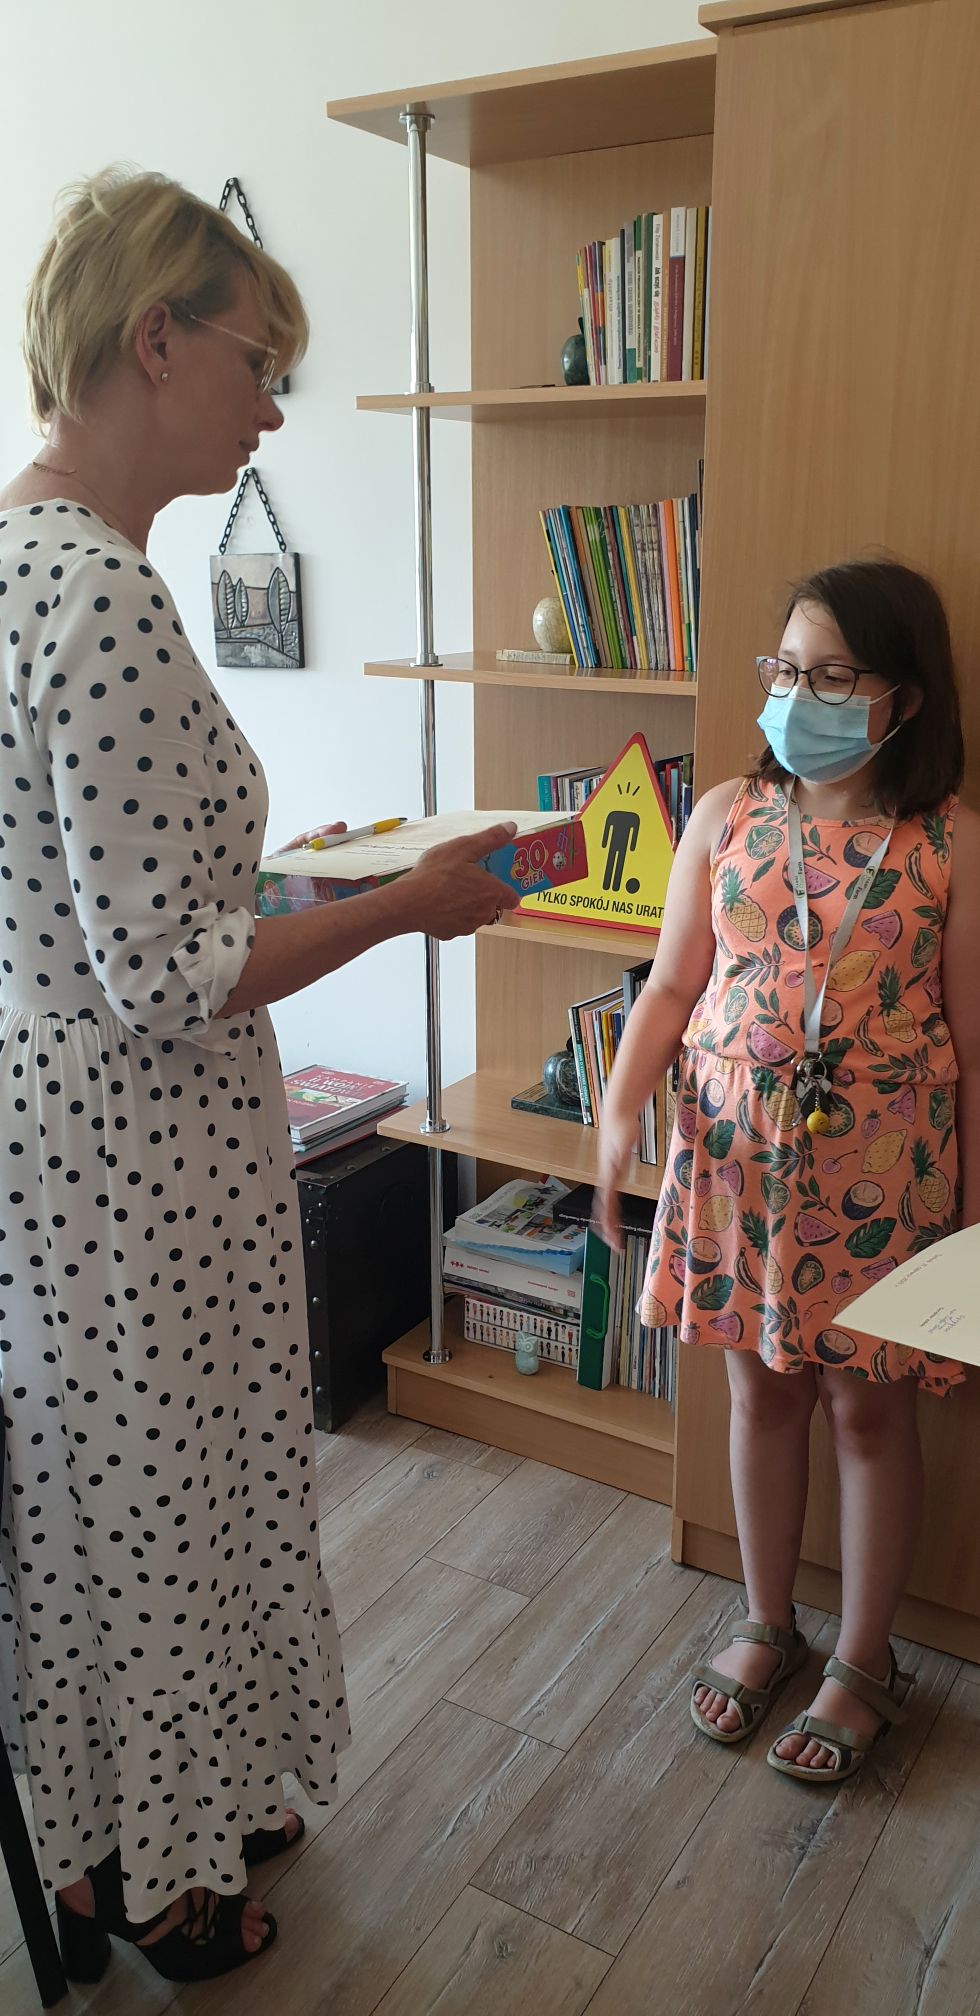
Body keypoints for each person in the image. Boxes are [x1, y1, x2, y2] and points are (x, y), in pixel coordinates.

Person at [0, 167, 520, 1985]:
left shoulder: (18, 560)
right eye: (259, 365)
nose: (274, 412)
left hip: (57, 1128)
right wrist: (406, 905)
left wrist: (308, 885)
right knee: (176, 1498)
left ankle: (122, 1834)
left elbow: (100, 908)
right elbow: (170, 977)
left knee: (99, 1497)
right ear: (155, 340)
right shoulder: (107, 601)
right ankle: (168, 1879)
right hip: (143, 1147)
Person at [598, 560, 980, 1785]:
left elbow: (972, 1046)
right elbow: (670, 984)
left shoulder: (950, 842)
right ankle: (767, 1622)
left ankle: (862, 1660)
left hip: (887, 1174)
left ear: (901, 698)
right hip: (734, 1163)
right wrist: (616, 1108)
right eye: (783, 670)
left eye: (829, 676)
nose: (795, 696)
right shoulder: (724, 814)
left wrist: (972, 1224)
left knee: (868, 1411)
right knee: (758, 1395)